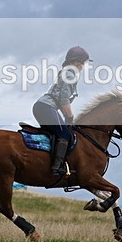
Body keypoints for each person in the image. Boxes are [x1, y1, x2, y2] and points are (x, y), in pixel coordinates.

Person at [32, 46, 91, 177]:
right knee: (66, 134)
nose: (83, 66)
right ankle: (56, 167)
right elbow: (64, 100)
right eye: (82, 62)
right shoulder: (70, 75)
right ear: (76, 62)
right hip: (46, 107)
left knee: (55, 134)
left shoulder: (66, 72)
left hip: (42, 107)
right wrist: (69, 117)